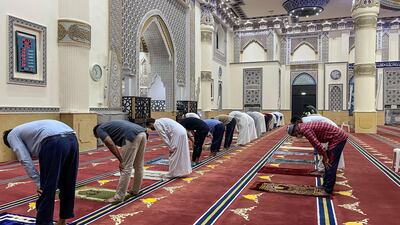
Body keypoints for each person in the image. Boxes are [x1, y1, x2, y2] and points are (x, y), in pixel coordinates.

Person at [3, 120, 78, 225]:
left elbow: (25, 159)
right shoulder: (27, 129)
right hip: (72, 139)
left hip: (54, 142)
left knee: (46, 189)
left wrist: (38, 182)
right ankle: (62, 222)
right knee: (68, 183)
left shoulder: (12, 136)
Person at [93, 120, 147, 203]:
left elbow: (110, 143)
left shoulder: (99, 129)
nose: (101, 138)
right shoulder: (109, 124)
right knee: (138, 165)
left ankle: (118, 197)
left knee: (126, 167)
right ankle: (135, 190)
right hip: (142, 132)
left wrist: (121, 160)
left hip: (131, 135)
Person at [287, 122, 348, 195]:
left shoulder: (305, 130)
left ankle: (328, 190)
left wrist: (325, 158)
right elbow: (317, 144)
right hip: (333, 138)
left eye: (295, 135)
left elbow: (317, 144)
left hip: (338, 138)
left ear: (295, 130)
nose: (297, 136)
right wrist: (324, 157)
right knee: (327, 163)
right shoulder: (303, 127)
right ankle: (325, 185)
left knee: (330, 164)